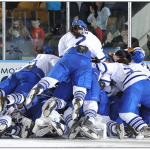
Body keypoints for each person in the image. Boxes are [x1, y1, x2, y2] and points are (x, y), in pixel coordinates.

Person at [26, 20, 106, 122]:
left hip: (68, 57)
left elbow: (62, 56)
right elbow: (102, 58)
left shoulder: (66, 36)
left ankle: (39, 87)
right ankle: (78, 103)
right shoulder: (91, 36)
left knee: (52, 79)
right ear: (85, 28)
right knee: (80, 89)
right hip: (85, 61)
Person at [98, 55, 150, 138]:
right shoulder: (134, 66)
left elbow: (103, 71)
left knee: (125, 113)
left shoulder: (116, 65)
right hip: (147, 84)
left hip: (134, 86)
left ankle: (143, 128)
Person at [0, 45, 59, 111]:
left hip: (17, 74)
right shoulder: (52, 57)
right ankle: (6, 100)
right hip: (32, 75)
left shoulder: (36, 58)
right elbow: (60, 68)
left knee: (2, 89)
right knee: (21, 95)